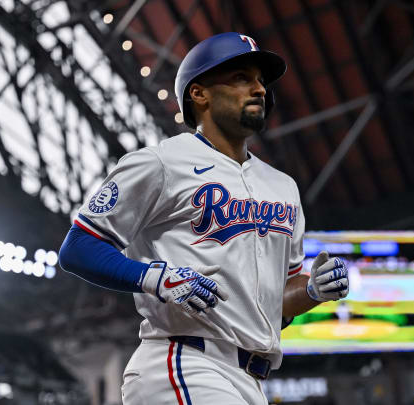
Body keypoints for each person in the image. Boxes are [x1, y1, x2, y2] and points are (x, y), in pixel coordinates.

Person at [58, 32, 349, 405]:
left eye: (261, 80)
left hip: (250, 380)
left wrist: (310, 292)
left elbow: (272, 309)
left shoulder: (283, 187)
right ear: (199, 93)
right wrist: (153, 278)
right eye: (241, 78)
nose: (259, 89)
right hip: (184, 363)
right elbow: (78, 247)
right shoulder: (161, 162)